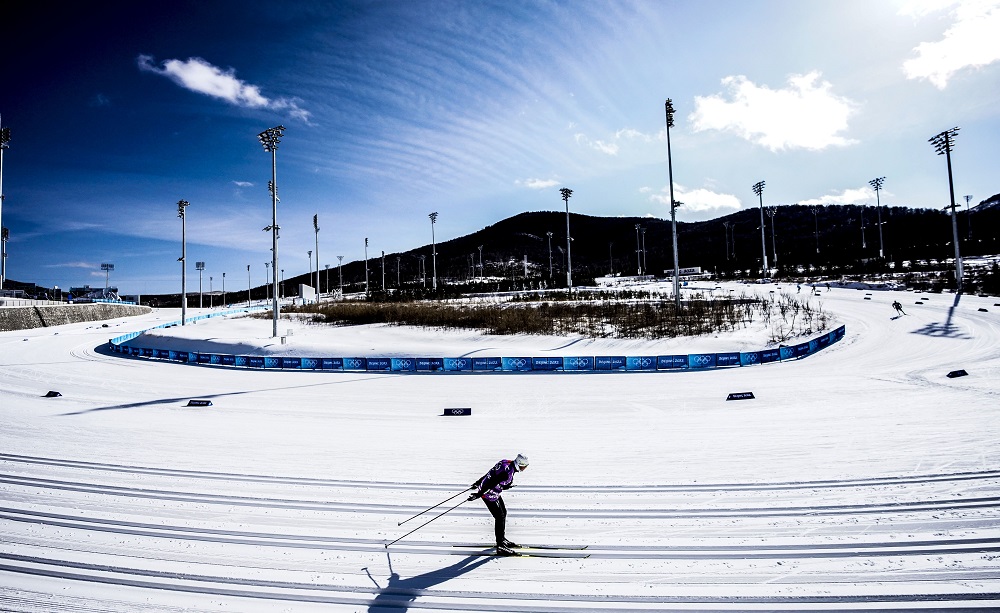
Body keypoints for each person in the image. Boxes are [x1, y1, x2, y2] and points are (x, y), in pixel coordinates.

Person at [468, 454, 529, 555]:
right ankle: (500, 546)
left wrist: (478, 482)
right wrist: (478, 494)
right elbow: (491, 482)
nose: (524, 469)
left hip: (492, 492)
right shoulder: (507, 472)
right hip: (488, 494)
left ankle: (502, 539)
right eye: (523, 467)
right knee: (499, 517)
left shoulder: (506, 462)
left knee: (503, 513)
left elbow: (491, 473)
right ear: (519, 464)